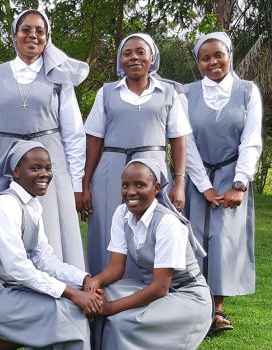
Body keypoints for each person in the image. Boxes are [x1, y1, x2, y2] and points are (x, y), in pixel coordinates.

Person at [0, 140, 101, 350]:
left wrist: (83, 279)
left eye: (48, 168)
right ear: (16, 171)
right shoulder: (4, 205)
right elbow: (18, 267)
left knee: (69, 306)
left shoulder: (32, 205)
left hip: (9, 290)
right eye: (35, 168)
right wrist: (71, 293)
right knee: (67, 311)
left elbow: (44, 259)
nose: (44, 174)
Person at [0, 9, 88, 269]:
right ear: (14, 36)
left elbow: (73, 133)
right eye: (25, 30)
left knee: (51, 230)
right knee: (9, 227)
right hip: (8, 164)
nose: (32, 36)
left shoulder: (59, 76)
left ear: (47, 38)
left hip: (50, 164)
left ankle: (58, 297)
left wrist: (75, 183)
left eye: (39, 31)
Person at [83, 33, 191, 275]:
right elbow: (93, 140)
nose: (134, 57)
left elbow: (178, 140)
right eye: (127, 53)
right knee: (106, 231)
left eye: (141, 52)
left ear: (152, 58)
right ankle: (102, 294)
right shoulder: (107, 92)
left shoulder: (168, 93)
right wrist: (86, 184)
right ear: (120, 60)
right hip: (111, 173)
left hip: (154, 172)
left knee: (153, 228)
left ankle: (148, 292)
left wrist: (180, 183)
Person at [86, 159, 213, 350]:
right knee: (97, 300)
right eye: (125, 185)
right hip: (152, 286)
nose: (130, 192)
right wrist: (95, 282)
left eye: (140, 185)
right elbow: (116, 268)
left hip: (187, 295)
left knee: (120, 321)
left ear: (156, 188)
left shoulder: (167, 224)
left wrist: (110, 308)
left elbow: (160, 288)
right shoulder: (122, 214)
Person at [184, 32, 262, 333]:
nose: (213, 61)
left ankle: (217, 310)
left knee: (223, 239)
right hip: (196, 175)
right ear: (198, 62)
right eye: (205, 57)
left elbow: (251, 140)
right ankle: (194, 306)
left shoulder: (247, 91)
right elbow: (184, 141)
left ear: (230, 54)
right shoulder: (185, 94)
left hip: (232, 173)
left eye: (219, 55)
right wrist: (203, 185)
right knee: (194, 238)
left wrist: (239, 184)